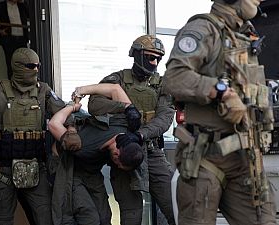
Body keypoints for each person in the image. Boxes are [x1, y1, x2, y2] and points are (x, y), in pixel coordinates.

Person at [163, 0, 277, 224]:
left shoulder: (244, 36)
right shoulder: (203, 29)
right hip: (205, 157)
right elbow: (174, 78)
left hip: (245, 158)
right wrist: (220, 91)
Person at [88, 35, 175, 225]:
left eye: (158, 59)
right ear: (136, 54)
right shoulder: (117, 79)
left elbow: (165, 117)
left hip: (152, 152)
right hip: (123, 154)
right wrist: (125, 108)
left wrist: (140, 134)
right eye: (150, 57)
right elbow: (94, 103)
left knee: (174, 207)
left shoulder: (162, 84)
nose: (154, 63)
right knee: (131, 214)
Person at [0, 47, 69, 225]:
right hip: (3, 169)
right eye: (31, 66)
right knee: (1, 219)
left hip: (36, 167)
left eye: (38, 66)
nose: (36, 70)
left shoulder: (43, 91)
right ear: (17, 66)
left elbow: (64, 114)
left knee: (45, 217)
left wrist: (72, 128)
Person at [49, 83, 145, 225]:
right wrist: (72, 106)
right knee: (90, 218)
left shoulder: (126, 124)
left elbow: (115, 89)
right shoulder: (83, 145)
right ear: (117, 153)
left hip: (91, 171)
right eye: (118, 163)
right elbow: (54, 124)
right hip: (69, 169)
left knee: (105, 217)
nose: (115, 165)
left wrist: (128, 108)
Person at [0, 0, 29, 79]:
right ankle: (12, 85)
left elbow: (31, 16)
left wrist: (24, 3)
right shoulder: (1, 6)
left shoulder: (22, 5)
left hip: (22, 39)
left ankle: (24, 83)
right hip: (9, 40)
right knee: (11, 64)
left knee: (24, 62)